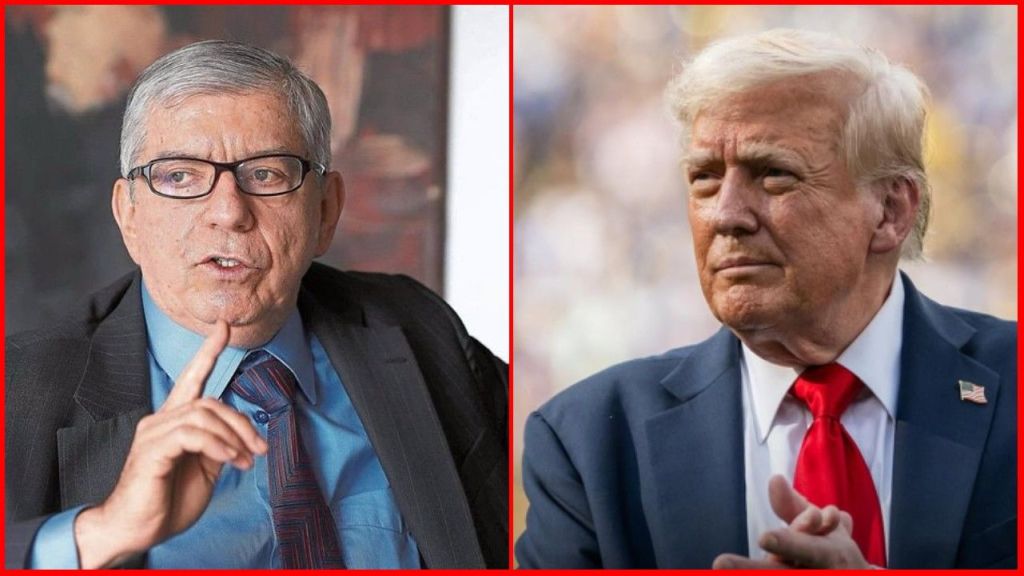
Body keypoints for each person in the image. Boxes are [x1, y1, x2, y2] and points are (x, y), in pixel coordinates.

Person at [515, 29, 1015, 569]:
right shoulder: (589, 442)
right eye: (705, 178)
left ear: (891, 211)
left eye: (774, 174)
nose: (726, 214)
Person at [6, 40, 508, 569]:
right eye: (180, 176)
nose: (228, 212)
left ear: (326, 210)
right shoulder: (18, 390)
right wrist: (103, 532)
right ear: (129, 215)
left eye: (265, 174)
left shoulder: (417, 330)